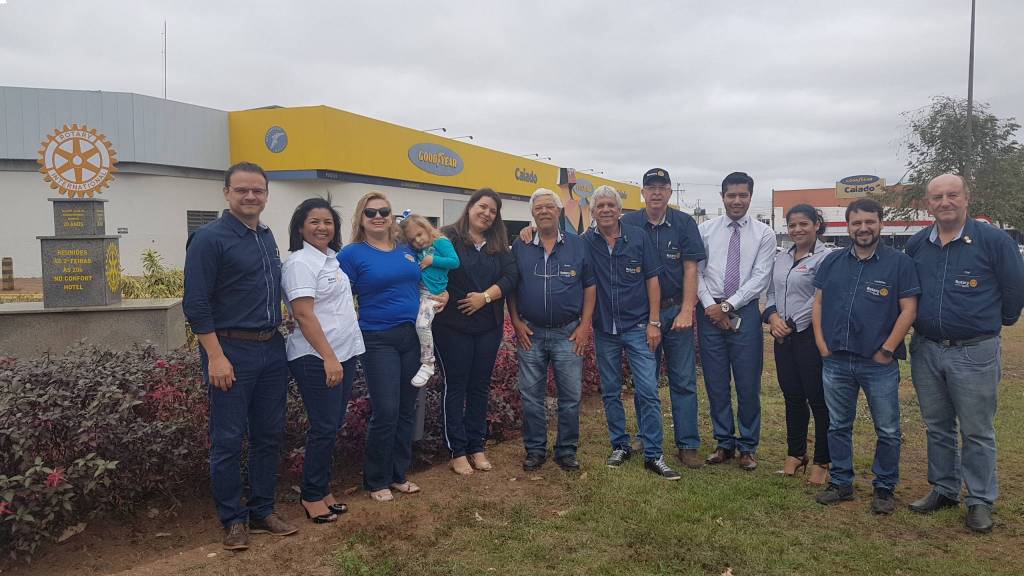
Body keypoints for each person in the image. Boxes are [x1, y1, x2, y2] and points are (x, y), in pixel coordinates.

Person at [183, 161, 298, 551]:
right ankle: (233, 518)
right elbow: (196, 303)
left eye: (258, 190)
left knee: (268, 435)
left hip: (271, 348)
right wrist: (215, 356)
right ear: (226, 193)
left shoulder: (265, 236)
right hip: (230, 351)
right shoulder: (208, 238)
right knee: (228, 439)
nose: (251, 196)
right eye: (242, 190)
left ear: (266, 195)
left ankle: (263, 510)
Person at [904, 174, 1024, 533]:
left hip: (974, 352)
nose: (945, 202)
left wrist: (995, 322)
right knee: (937, 426)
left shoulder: (993, 241)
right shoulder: (917, 244)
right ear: (928, 204)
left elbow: (1014, 289)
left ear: (966, 198)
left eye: (952, 195)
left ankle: (980, 499)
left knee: (976, 430)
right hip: (926, 349)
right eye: (937, 197)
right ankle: (944, 488)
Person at [812, 197, 919, 515]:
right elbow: (818, 303)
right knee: (838, 425)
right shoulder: (832, 261)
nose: (863, 228)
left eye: (869, 222)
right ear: (847, 226)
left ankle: (884, 487)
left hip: (877, 363)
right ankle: (841, 482)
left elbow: (909, 310)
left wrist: (887, 350)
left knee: (887, 429)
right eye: (856, 222)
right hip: (836, 360)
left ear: (881, 224)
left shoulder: (899, 263)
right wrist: (822, 345)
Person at [339, 192, 446, 502]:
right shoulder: (352, 254)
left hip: (412, 336)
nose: (378, 216)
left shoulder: (406, 249)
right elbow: (338, 296)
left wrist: (444, 296)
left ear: (391, 215)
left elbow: (432, 274)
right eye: (370, 212)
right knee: (386, 410)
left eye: (384, 211)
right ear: (361, 218)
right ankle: (376, 480)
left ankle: (399, 474)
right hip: (377, 338)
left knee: (406, 409)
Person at [585, 185, 680, 480]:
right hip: (605, 329)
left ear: (619, 209)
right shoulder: (585, 242)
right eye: (599, 205)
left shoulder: (638, 237)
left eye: (610, 205)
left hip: (638, 327)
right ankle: (620, 445)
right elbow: (555, 240)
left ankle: (654, 454)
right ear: (593, 212)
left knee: (648, 391)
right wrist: (529, 231)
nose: (605, 209)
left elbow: (653, 280)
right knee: (611, 391)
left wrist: (654, 322)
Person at [282, 197, 364, 523]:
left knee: (332, 425)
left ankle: (322, 487)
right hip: (316, 358)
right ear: (300, 227)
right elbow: (303, 314)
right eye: (314, 222)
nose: (322, 227)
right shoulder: (300, 263)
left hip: (343, 354)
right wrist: (329, 358)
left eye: (328, 222)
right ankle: (312, 495)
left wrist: (340, 356)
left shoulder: (331, 259)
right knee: (324, 426)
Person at [620, 168, 707, 469]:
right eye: (651, 187)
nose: (656, 192)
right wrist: (531, 230)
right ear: (642, 192)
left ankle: (688, 444)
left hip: (675, 311)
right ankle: (646, 437)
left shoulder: (684, 223)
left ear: (670, 192)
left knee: (683, 380)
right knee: (646, 381)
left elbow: (691, 269)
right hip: (641, 315)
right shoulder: (628, 223)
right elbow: (594, 242)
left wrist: (687, 310)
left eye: (662, 187)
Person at [508, 188, 596, 472]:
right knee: (531, 397)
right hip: (531, 333)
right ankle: (535, 450)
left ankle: (566, 451)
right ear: (532, 214)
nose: (544, 211)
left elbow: (590, 286)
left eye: (549, 206)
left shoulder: (578, 245)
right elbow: (511, 286)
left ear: (559, 212)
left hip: (567, 333)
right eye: (539, 207)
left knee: (570, 397)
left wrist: (585, 326)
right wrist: (516, 321)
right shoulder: (521, 244)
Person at [433, 188, 519, 475]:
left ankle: (476, 446)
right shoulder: (446, 238)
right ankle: (457, 450)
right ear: (470, 207)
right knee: (456, 386)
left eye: (493, 211)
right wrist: (440, 292)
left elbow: (511, 277)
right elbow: (430, 270)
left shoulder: (498, 245)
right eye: (483, 207)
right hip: (451, 327)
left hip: (488, 327)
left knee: (480, 386)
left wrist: (485, 297)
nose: (487, 214)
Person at [696, 171, 775, 470]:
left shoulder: (764, 234)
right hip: (709, 312)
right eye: (731, 195)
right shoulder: (705, 230)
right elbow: (696, 272)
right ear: (722, 196)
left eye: (743, 195)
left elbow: (760, 278)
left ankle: (748, 446)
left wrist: (728, 306)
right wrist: (711, 307)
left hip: (745, 311)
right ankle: (724, 443)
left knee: (747, 382)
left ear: (751, 197)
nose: (737, 201)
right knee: (716, 382)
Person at [762, 204, 832, 484]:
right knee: (792, 396)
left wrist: (790, 323)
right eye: (792, 225)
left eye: (804, 224)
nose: (797, 230)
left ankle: (823, 460)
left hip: (810, 337)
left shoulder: (827, 258)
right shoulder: (781, 258)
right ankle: (796, 453)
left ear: (817, 225)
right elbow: (770, 292)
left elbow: (820, 298)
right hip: (782, 338)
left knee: (818, 399)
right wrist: (773, 318)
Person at [398, 213, 460, 387]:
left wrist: (432, 259)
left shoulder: (440, 242)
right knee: (417, 324)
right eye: (413, 239)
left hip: (433, 294)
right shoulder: (417, 250)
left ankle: (428, 362)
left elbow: (455, 262)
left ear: (427, 228)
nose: (418, 241)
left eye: (419, 234)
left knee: (422, 324)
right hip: (419, 292)